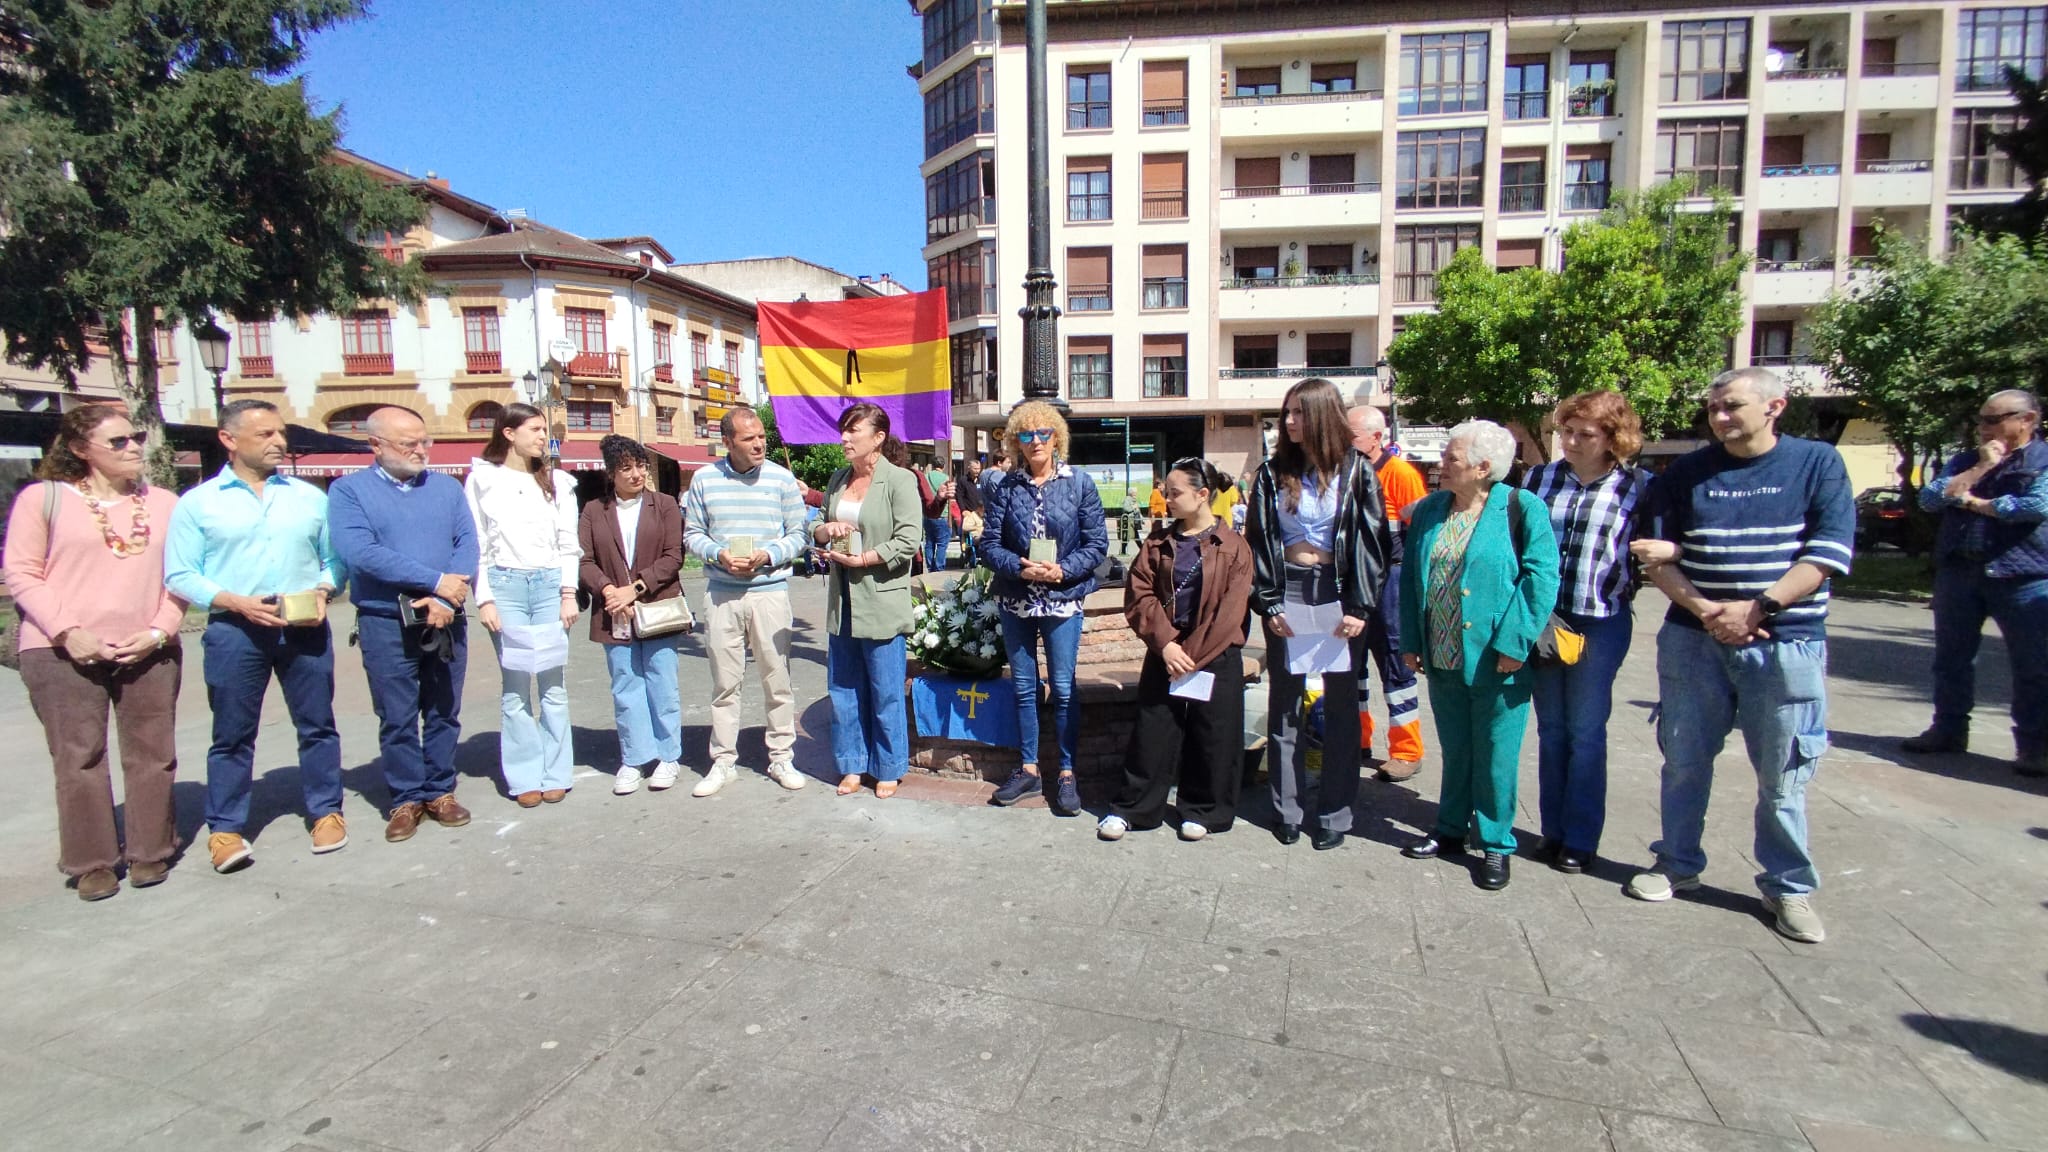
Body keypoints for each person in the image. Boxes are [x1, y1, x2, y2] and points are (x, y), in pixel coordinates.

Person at [1624, 367, 1854, 945]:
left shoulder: (1816, 464)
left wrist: (1760, 607)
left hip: (1784, 641)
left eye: (1732, 406)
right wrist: (1707, 610)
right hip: (1693, 638)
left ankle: (1787, 886)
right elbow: (1655, 558)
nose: (1720, 417)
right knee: (1683, 761)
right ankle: (1677, 863)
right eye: (1714, 408)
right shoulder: (1685, 473)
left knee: (1782, 774)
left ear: (1776, 406)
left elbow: (1826, 553)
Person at [6, 406, 185, 900]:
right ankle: (92, 862)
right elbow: (21, 572)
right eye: (120, 442)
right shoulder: (43, 499)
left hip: (148, 648)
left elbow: (182, 575)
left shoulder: (166, 502)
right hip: (62, 651)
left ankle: (151, 851)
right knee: (79, 758)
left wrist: (159, 630)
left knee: (153, 754)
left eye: (137, 438)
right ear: (81, 450)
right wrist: (68, 631)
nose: (134, 448)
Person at [165, 399, 345, 872]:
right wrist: (232, 600)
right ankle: (225, 828)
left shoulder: (309, 498)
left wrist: (326, 589)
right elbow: (180, 574)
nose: (278, 442)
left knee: (317, 725)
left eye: (280, 433)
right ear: (229, 439)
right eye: (264, 434)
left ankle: (326, 810)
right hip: (235, 629)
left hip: (303, 627)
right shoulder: (198, 503)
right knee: (231, 733)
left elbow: (334, 561)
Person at [1397, 421, 1561, 891]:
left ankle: (1495, 843)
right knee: (1457, 748)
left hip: (1497, 655)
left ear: (1483, 467)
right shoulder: (1430, 509)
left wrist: (1515, 643)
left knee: (1496, 755)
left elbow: (1541, 578)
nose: (1439, 465)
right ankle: (1449, 829)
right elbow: (1411, 580)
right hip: (1443, 651)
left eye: (1451, 458)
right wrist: (1411, 640)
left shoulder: (1520, 507)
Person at [1246, 378, 1392, 851]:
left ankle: (1334, 812)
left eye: (1298, 413)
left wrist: (1360, 606)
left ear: (1323, 415)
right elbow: (1257, 542)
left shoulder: (1357, 472)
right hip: (1287, 589)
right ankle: (1287, 809)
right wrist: (1266, 601)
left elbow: (1374, 544)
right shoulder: (1270, 474)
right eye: (1286, 413)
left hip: (1338, 593)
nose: (1288, 422)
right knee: (1285, 704)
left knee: (1342, 708)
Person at [328, 406, 479, 842]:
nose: (420, 450)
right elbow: (360, 551)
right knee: (396, 714)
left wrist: (444, 595)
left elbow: (466, 542)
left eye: (424, 441)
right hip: (385, 620)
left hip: (446, 615)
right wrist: (433, 582)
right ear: (375, 445)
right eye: (408, 443)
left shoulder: (447, 489)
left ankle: (440, 791)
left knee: (443, 709)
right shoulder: (348, 491)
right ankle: (406, 797)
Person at [1519, 390, 1650, 873]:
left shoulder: (1637, 486)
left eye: (1584, 434)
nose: (1571, 442)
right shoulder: (1538, 479)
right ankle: (1552, 832)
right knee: (1552, 731)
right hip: (1546, 622)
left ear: (1613, 438)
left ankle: (1580, 837)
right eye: (1565, 432)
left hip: (1600, 620)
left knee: (1586, 732)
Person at [1098, 458, 1254, 842]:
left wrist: (1191, 657)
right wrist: (1166, 645)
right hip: (1166, 653)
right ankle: (1135, 808)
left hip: (1214, 656)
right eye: (1166, 491)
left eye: (1175, 492)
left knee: (1213, 737)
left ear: (1202, 495)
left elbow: (1230, 612)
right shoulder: (1158, 542)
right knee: (1153, 733)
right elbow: (1139, 594)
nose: (1167, 499)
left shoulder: (1234, 547)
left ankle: (1203, 809)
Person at [1904, 389, 2048, 777]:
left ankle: (2035, 747)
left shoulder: (2043, 459)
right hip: (1960, 572)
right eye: (1981, 420)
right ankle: (1948, 731)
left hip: (2023, 576)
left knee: (2033, 666)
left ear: (2027, 420)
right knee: (1951, 660)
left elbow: (2036, 507)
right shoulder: (1967, 459)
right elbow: (1932, 499)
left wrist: (1977, 504)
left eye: (1993, 420)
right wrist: (1980, 470)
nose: (1983, 428)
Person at [984, 401, 1111, 816]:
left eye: (1043, 434)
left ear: (1057, 437)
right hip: (1016, 598)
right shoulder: (1005, 486)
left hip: (1062, 597)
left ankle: (1067, 772)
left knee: (1062, 686)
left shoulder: (1080, 484)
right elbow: (988, 545)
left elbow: (1097, 545)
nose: (1035, 441)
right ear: (1016, 440)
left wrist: (1064, 570)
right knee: (1023, 687)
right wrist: (1017, 566)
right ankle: (1028, 767)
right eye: (1026, 434)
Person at [684, 409, 811, 794]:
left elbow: (799, 533)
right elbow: (692, 533)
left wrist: (770, 555)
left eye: (761, 437)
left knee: (777, 679)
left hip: (769, 591)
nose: (758, 444)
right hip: (722, 593)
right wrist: (718, 554)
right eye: (748, 438)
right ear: (728, 442)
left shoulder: (781, 478)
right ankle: (723, 762)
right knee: (725, 683)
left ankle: (781, 757)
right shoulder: (704, 479)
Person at [466, 402, 581, 808]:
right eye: (534, 428)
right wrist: (485, 598)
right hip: (506, 584)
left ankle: (556, 771)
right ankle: (524, 774)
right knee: (515, 685)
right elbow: (477, 543)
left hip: (549, 585)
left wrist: (569, 593)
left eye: (543, 429)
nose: (541, 436)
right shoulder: (483, 479)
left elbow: (569, 543)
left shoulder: (557, 483)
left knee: (553, 683)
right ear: (509, 433)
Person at [814, 403, 923, 797]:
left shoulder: (899, 480)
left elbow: (909, 539)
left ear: (877, 438)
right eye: (843, 430)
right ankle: (851, 764)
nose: (843, 438)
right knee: (844, 689)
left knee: (885, 689)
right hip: (842, 602)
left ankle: (889, 766)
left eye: (852, 431)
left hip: (881, 598)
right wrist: (826, 530)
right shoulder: (838, 478)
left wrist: (863, 558)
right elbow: (817, 526)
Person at [579, 435, 687, 795]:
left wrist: (635, 589)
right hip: (614, 612)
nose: (637, 474)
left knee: (662, 681)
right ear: (611, 473)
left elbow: (673, 557)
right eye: (626, 468)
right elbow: (585, 559)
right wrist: (610, 591)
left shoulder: (665, 504)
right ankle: (634, 757)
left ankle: (668, 755)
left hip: (656, 606)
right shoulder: (594, 510)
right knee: (625, 684)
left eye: (640, 465)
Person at [1347, 404, 1430, 778]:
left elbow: (1421, 535)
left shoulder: (1401, 474)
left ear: (1376, 437)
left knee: (1396, 666)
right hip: (1352, 580)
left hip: (1391, 581)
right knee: (1351, 669)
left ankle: (1406, 750)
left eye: (1351, 435)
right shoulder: (1344, 471)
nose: (1344, 442)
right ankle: (1356, 739)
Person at [921, 458, 957, 573]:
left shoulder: (925, 477)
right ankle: (939, 568)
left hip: (927, 514)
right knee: (942, 544)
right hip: (943, 514)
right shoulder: (946, 479)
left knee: (929, 542)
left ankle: (930, 566)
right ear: (944, 466)